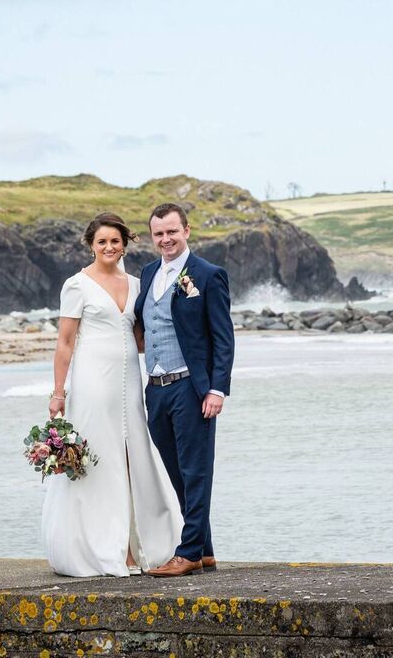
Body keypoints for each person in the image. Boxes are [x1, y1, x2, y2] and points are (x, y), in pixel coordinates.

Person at [42, 212, 183, 577]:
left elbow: (140, 338)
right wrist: (58, 393)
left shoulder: (137, 284)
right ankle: (110, 549)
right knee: (98, 458)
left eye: (115, 241)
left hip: (130, 384)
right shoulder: (77, 285)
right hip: (92, 382)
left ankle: (136, 545)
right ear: (92, 244)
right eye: (102, 241)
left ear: (125, 244)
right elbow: (65, 342)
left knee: (131, 455)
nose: (109, 247)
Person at [135, 202, 235, 577]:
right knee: (176, 472)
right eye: (159, 233)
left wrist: (216, 390)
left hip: (191, 388)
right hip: (156, 388)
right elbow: (144, 323)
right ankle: (205, 548)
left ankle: (188, 551)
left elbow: (223, 339)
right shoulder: (147, 274)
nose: (166, 239)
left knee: (196, 471)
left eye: (172, 232)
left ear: (187, 231)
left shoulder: (208, 275)